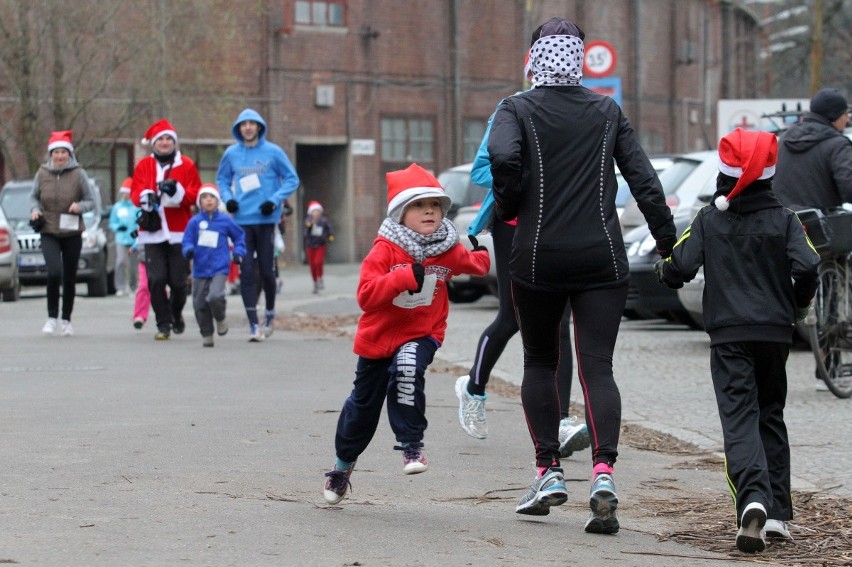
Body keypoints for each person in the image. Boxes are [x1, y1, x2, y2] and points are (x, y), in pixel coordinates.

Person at [488, 17, 676, 531]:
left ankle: (548, 469)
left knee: (540, 362)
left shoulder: (516, 108)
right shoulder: (606, 110)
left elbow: (502, 156)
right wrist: (669, 246)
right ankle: (602, 473)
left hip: (536, 257)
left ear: (534, 58)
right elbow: (644, 179)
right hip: (602, 257)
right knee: (598, 367)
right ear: (577, 58)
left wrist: (510, 203)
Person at [655, 128, 820, 552]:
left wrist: (665, 269)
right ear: (770, 172)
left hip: (729, 335)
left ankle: (752, 500)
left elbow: (680, 267)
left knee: (740, 418)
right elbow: (808, 266)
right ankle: (779, 513)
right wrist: (797, 306)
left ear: (723, 171)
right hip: (775, 333)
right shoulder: (785, 218)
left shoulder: (711, 218)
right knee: (770, 414)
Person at [322, 163, 490, 505]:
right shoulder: (384, 249)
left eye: (434, 205)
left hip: (422, 332)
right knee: (362, 408)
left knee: (408, 366)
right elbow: (365, 297)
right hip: (377, 339)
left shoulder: (448, 247)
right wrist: (400, 278)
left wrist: (483, 250)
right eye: (418, 205)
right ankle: (342, 466)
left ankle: (412, 447)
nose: (428, 210)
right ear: (400, 212)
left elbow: (474, 264)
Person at [455, 52, 589, 459]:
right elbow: (481, 170)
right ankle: (474, 388)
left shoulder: (575, 112)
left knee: (561, 322)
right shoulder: (511, 109)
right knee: (513, 317)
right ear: (532, 74)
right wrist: (528, 176)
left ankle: (563, 420)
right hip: (513, 227)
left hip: (557, 229)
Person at [771, 87, 852, 391]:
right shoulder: (837, 144)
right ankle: (830, 366)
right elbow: (848, 188)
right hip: (823, 227)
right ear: (835, 116)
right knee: (832, 278)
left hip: (783, 226)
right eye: (846, 115)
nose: (847, 120)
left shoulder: (783, 141)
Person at [217, 108, 300, 342]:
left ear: (259, 127)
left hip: (265, 219)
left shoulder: (273, 152)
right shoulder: (232, 153)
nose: (248, 128)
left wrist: (274, 201)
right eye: (244, 124)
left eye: (252, 124)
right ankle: (254, 324)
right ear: (239, 128)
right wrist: (228, 198)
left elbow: (292, 178)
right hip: (242, 221)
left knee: (266, 270)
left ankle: (270, 312)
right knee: (246, 273)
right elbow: (222, 179)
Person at [130, 119, 201, 341]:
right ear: (153, 143)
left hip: (179, 230)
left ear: (174, 142)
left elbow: (195, 194)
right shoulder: (144, 166)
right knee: (156, 279)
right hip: (152, 231)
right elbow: (135, 193)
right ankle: (163, 323)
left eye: (169, 138)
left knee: (179, 282)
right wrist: (146, 196)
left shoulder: (186, 165)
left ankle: (176, 313)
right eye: (160, 139)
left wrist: (176, 190)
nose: (165, 142)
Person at [28, 130, 96, 336]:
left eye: (63, 152)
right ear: (51, 154)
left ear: (69, 154)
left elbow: (91, 201)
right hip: (48, 229)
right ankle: (51, 317)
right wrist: (34, 210)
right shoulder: (42, 173)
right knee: (54, 272)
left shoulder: (78, 173)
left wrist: (80, 207)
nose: (59, 156)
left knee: (69, 276)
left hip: (72, 231)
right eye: (56, 152)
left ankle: (66, 319)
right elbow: (33, 198)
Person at [182, 184, 246, 347]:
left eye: (212, 197)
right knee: (199, 303)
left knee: (215, 296)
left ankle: (220, 318)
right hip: (200, 269)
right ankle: (207, 332)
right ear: (199, 202)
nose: (208, 200)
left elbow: (239, 237)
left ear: (217, 200)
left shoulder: (225, 220)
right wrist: (188, 250)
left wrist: (239, 252)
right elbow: (187, 240)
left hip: (220, 267)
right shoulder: (195, 222)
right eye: (204, 197)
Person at [108, 177, 140, 296]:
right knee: (120, 261)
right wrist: (117, 228)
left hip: (134, 240)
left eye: (128, 193)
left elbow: (140, 223)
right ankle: (120, 286)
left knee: (134, 264)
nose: (125, 195)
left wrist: (137, 234)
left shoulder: (136, 207)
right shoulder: (117, 207)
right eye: (124, 193)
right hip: (121, 238)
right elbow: (112, 222)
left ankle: (133, 286)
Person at [303, 200, 334, 293]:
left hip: (320, 244)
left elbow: (329, 229)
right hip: (310, 245)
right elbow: (305, 232)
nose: (316, 213)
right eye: (314, 212)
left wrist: (330, 236)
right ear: (311, 212)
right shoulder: (308, 221)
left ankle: (320, 277)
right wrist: (309, 225)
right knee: (312, 265)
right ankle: (315, 281)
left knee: (318, 262)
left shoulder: (324, 221)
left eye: (317, 212)